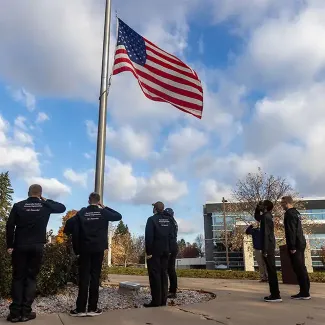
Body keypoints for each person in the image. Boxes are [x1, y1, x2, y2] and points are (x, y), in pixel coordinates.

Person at [6, 184, 66, 323]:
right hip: (37, 246)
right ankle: (26, 312)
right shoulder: (45, 206)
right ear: (40, 193)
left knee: (18, 278)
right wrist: (45, 200)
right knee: (31, 278)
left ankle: (15, 314)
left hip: (20, 246)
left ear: (28, 192)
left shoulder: (18, 206)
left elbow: (10, 226)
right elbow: (61, 208)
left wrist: (10, 245)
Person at [70, 192, 122, 317]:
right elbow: (118, 216)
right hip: (98, 249)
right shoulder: (103, 212)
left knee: (84, 278)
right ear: (98, 201)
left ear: (89, 200)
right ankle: (93, 308)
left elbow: (72, 227)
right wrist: (104, 207)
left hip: (85, 249)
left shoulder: (82, 213)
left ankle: (80, 309)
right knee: (95, 277)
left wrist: (76, 249)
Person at [281, 196, 311, 300]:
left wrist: (292, 246)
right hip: (301, 242)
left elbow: (291, 230)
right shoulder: (296, 213)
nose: (281, 205)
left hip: (296, 245)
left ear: (286, 203)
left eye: (282, 203)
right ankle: (305, 290)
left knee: (298, 268)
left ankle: (304, 292)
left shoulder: (289, 214)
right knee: (301, 267)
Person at [144, 201, 173, 308]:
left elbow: (149, 237)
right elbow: (172, 236)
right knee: (164, 275)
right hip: (166, 251)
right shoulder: (169, 220)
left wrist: (149, 252)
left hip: (155, 252)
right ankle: (163, 300)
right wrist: (169, 250)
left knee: (155, 275)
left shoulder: (151, 220)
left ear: (155, 209)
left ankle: (156, 301)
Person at [255, 200, 282, 303]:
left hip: (268, 247)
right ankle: (275, 294)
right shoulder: (267, 216)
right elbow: (257, 217)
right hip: (269, 246)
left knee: (271, 271)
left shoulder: (266, 217)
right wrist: (257, 208)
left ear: (265, 207)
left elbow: (266, 234)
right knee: (271, 271)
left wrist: (265, 250)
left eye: (262, 205)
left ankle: (276, 295)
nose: (261, 207)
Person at [164, 208, 178, 298]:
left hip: (169, 247)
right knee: (171, 270)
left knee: (169, 270)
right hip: (173, 247)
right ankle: (172, 290)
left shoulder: (169, 222)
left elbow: (167, 235)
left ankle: (171, 291)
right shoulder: (174, 222)